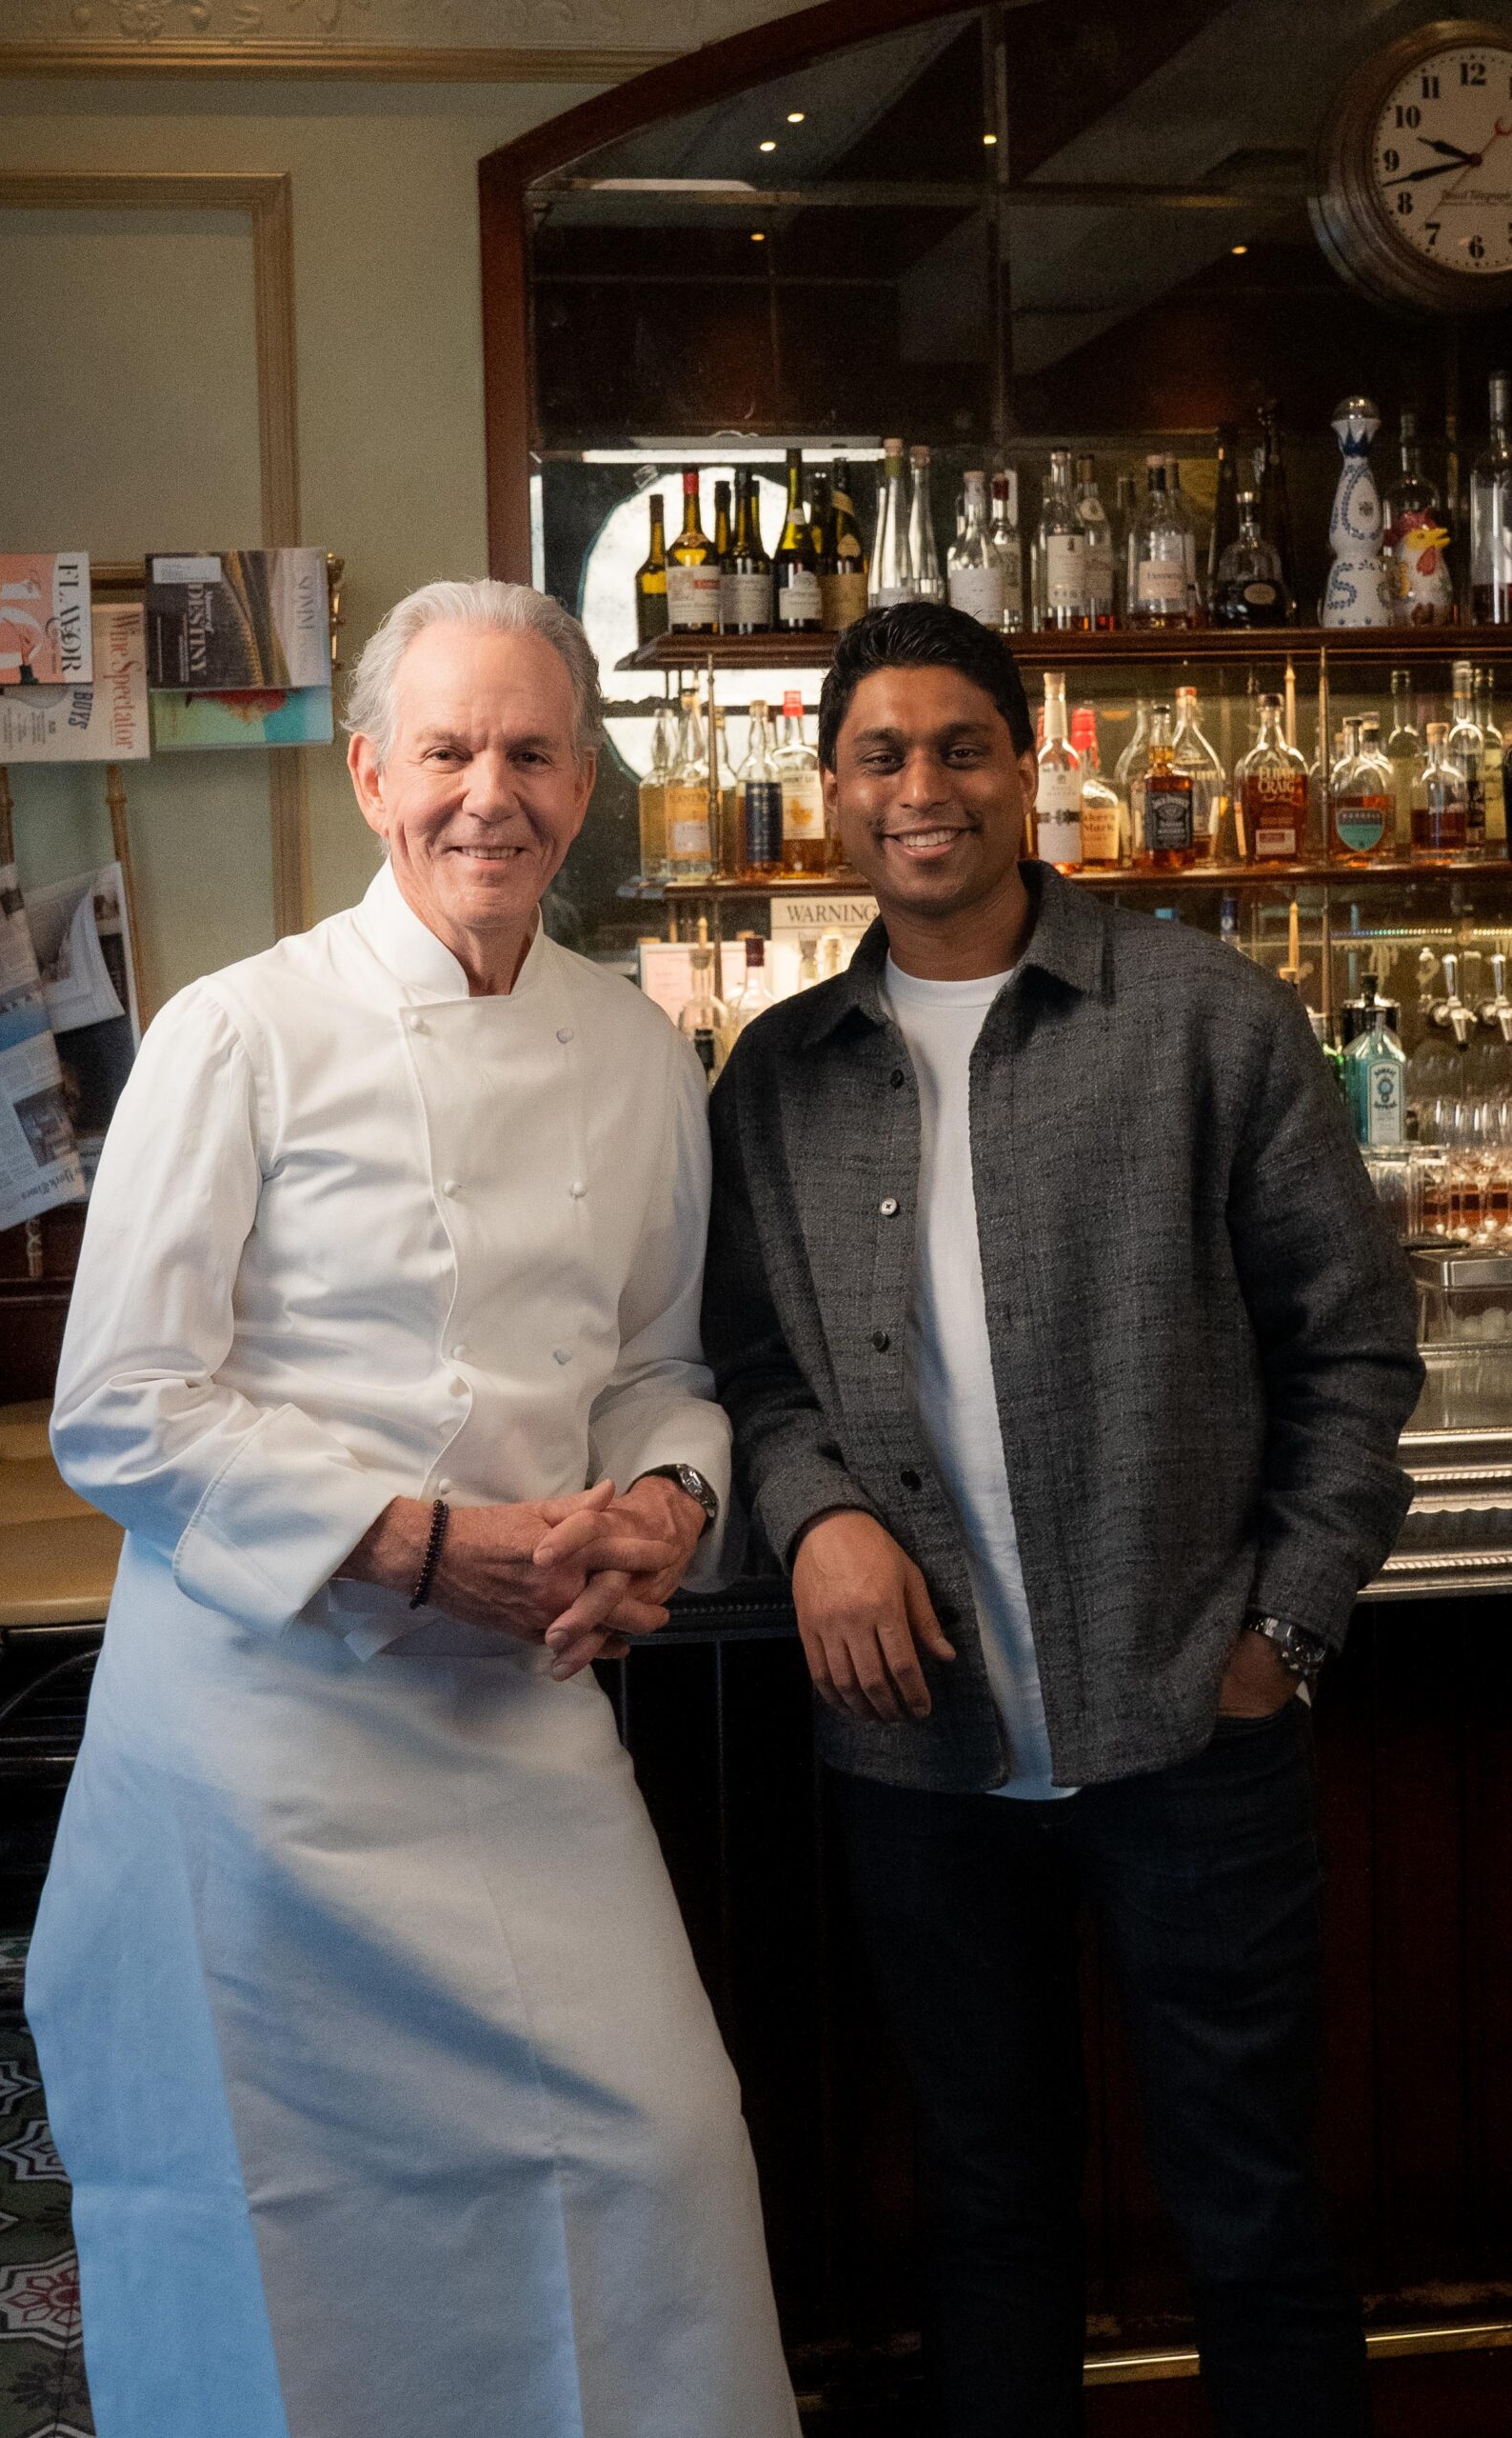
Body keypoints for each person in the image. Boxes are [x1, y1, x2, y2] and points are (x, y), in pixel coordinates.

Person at [28, 579, 800, 2438]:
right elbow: (119, 1405)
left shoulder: (632, 1049)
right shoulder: (239, 1033)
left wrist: (666, 1504)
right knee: (282, 2230)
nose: (488, 793)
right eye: (446, 749)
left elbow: (648, 1362)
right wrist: (417, 1540)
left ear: (586, 781)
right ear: (373, 774)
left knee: (652, 2149)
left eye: (530, 751)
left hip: (518, 1723)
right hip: (261, 1746)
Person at [702, 601, 1422, 2438]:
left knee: (1254, 2219)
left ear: (1032, 770)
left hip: (1195, 1724)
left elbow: (1354, 1352)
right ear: (832, 793)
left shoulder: (1207, 1024)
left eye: (960, 748)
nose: (920, 790)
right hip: (917, 1753)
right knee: (988, 2214)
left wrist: (1287, 1638)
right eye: (881, 755)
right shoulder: (775, 1081)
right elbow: (752, 1374)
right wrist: (812, 1523)